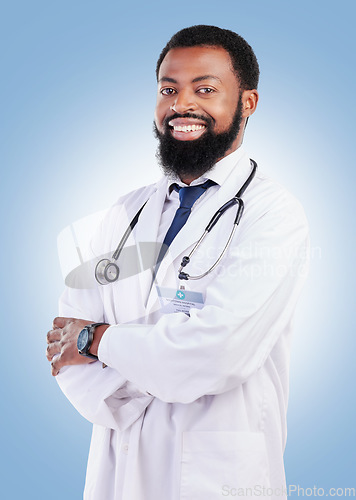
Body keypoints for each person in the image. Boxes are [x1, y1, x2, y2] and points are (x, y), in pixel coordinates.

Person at [46, 25, 309, 500]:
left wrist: (98, 340)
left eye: (205, 89)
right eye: (169, 89)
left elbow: (215, 353)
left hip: (217, 475)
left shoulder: (274, 214)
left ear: (248, 102)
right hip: (118, 461)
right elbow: (67, 339)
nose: (181, 104)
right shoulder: (125, 214)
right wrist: (126, 366)